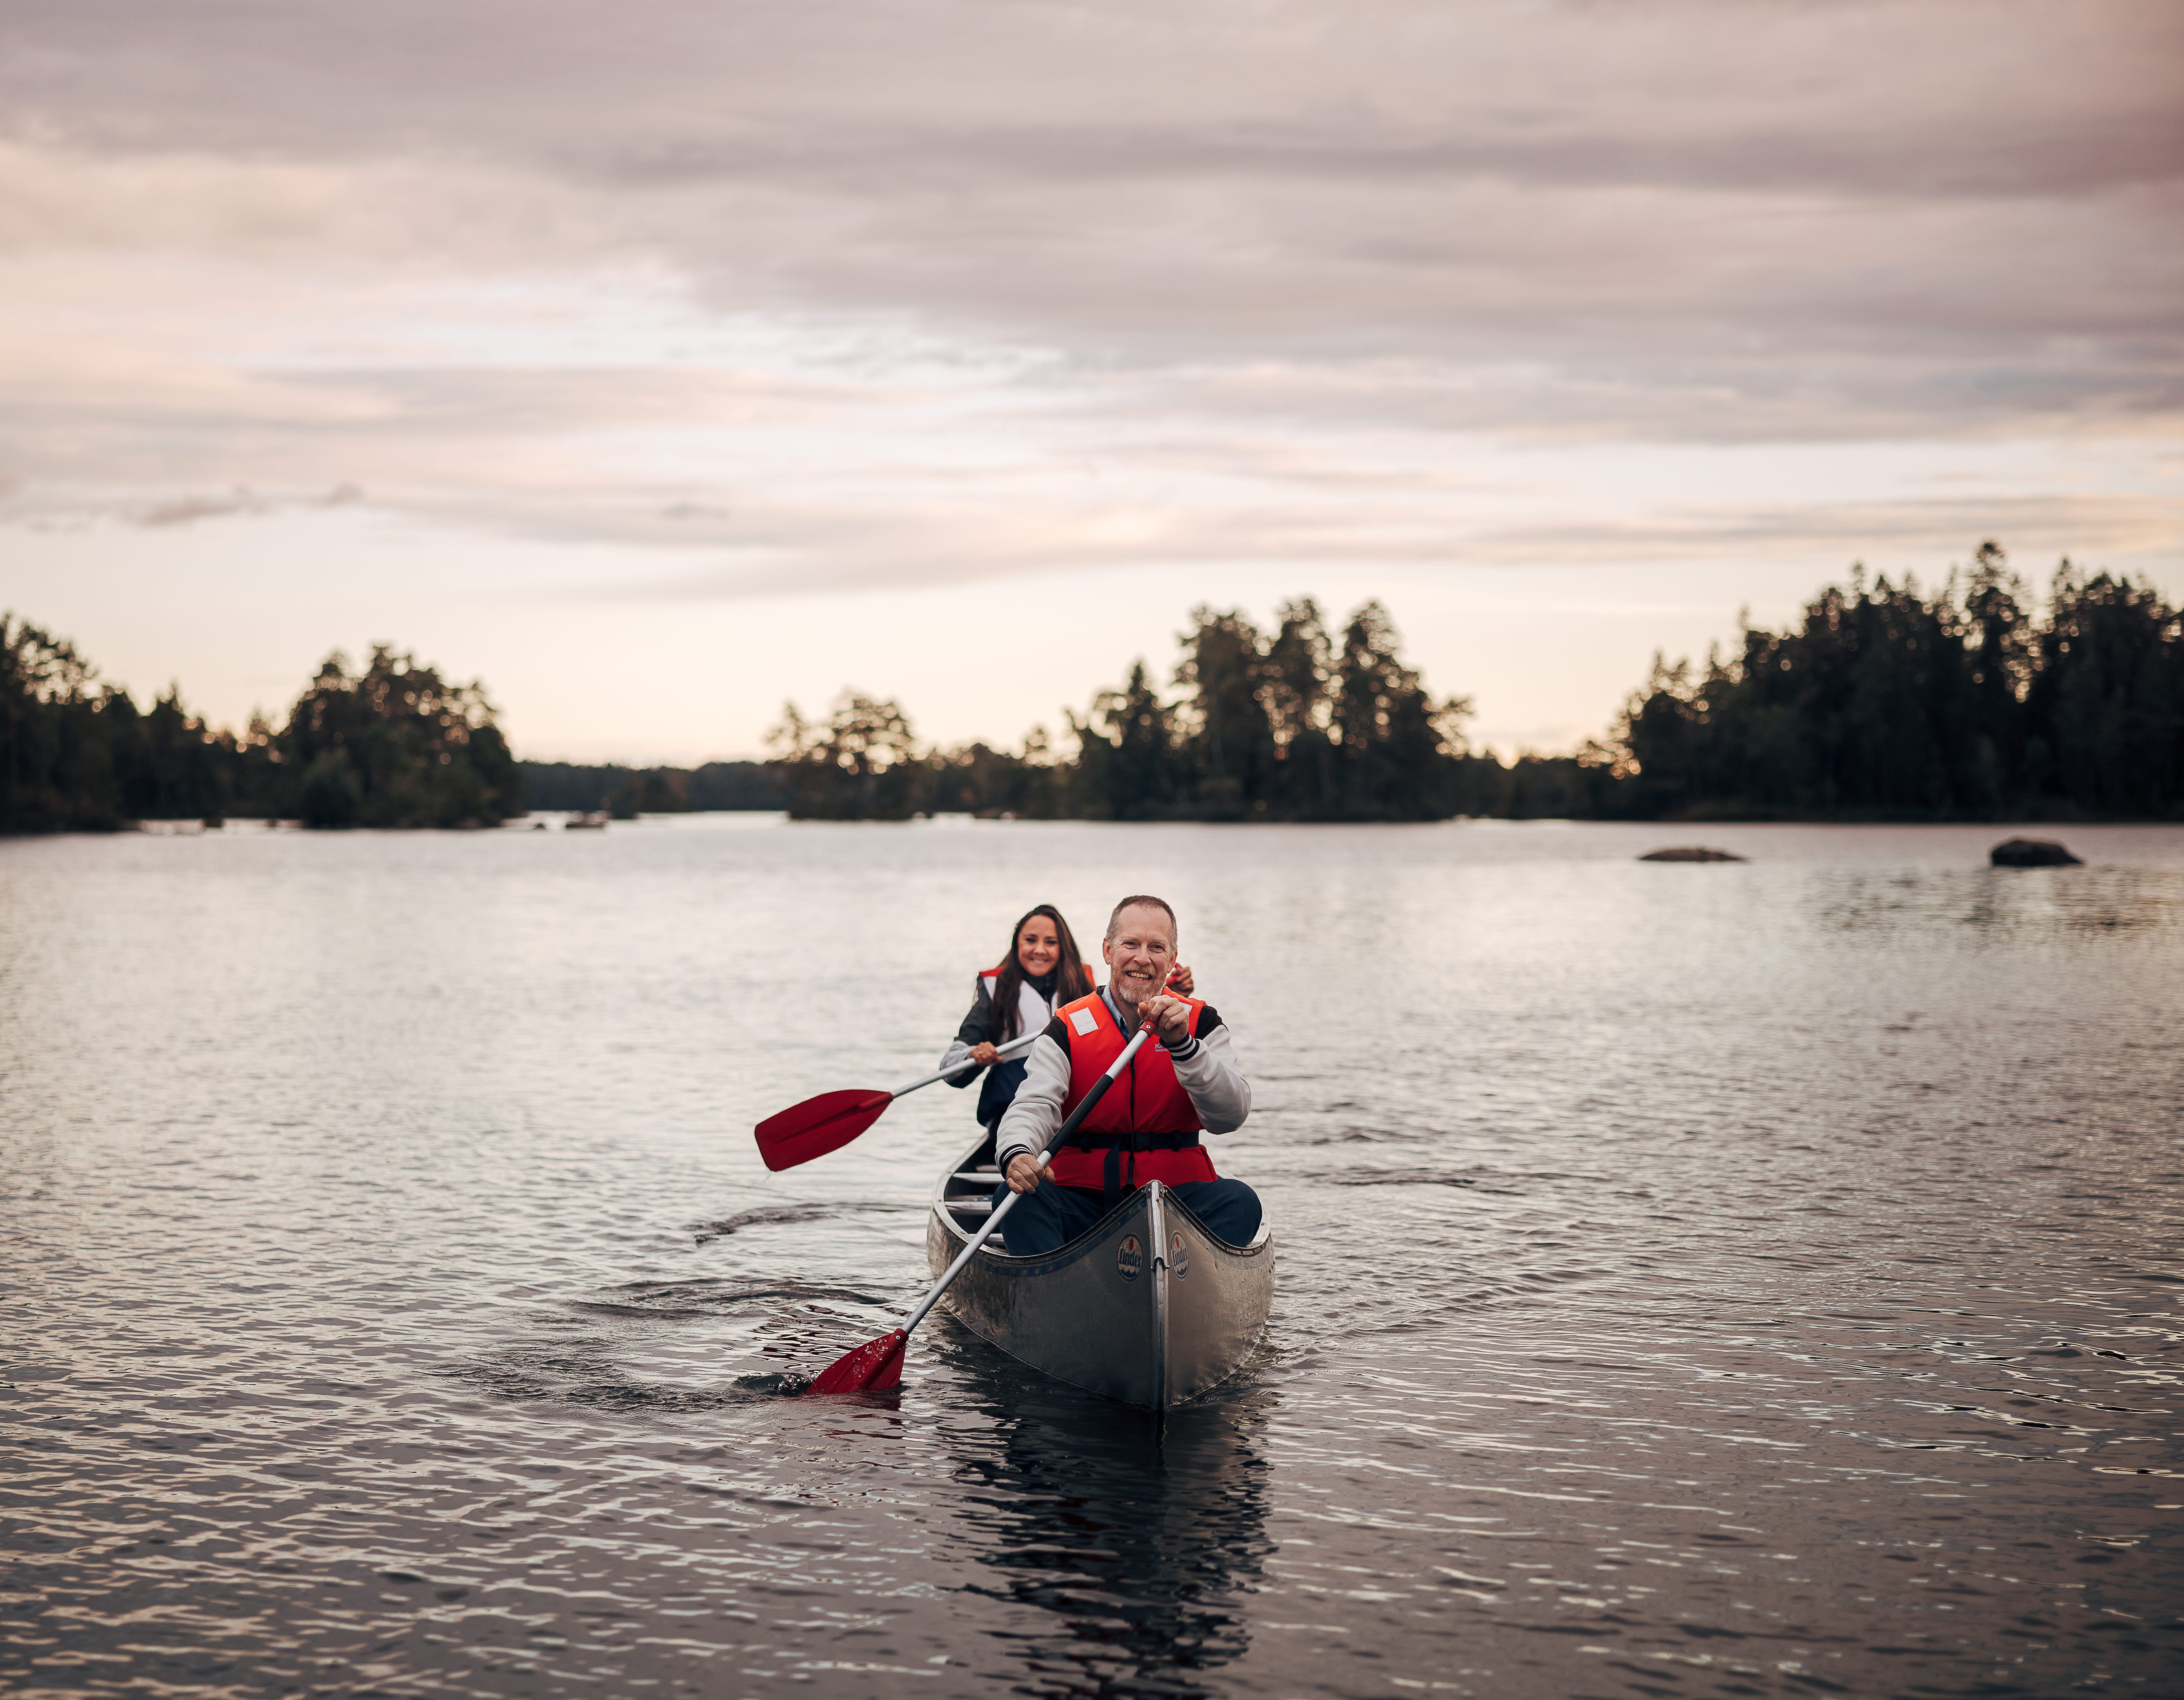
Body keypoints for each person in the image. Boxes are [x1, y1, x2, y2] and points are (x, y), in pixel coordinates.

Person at [992, 895, 1259, 1256]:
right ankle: (1056, 1296)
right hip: (1082, 1198)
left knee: (1240, 1201)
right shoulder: (1066, 1027)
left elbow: (1230, 1116)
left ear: (1172, 960)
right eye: (1130, 944)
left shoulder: (1202, 1023)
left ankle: (1189, 1284)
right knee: (1015, 1197)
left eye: (1156, 947)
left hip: (1175, 1201)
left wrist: (1185, 1047)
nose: (1142, 958)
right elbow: (1033, 1104)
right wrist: (1017, 1152)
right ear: (1107, 950)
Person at [938, 904, 1194, 1130]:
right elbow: (951, 1069)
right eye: (1030, 940)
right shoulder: (994, 990)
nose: (1040, 950)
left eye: (1051, 942)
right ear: (1017, 943)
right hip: (1012, 1113)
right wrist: (973, 1057)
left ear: (1064, 947)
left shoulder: (1084, 988)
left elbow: (1128, 1023)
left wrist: (1168, 992)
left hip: (1074, 1115)